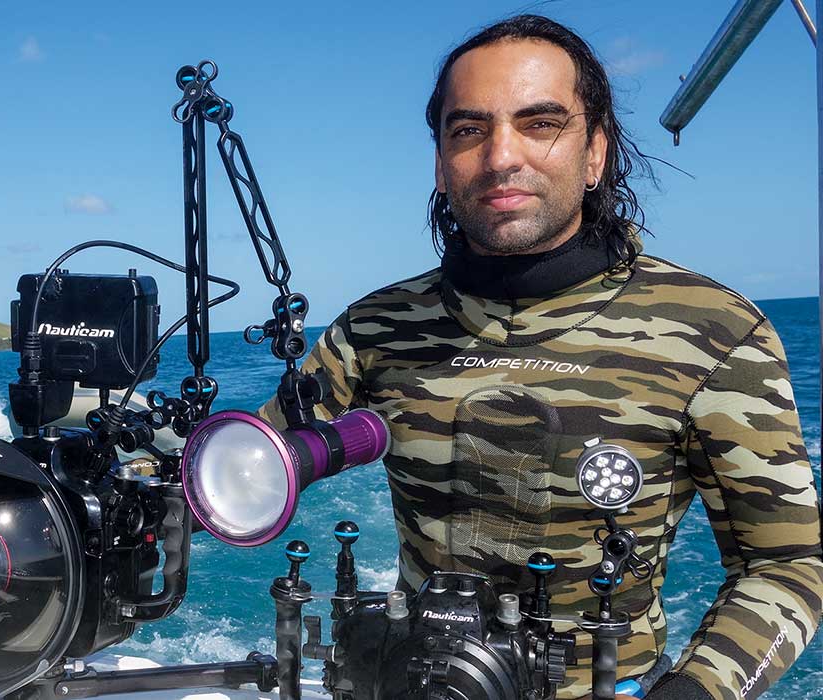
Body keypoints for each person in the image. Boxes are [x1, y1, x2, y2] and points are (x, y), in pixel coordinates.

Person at [258, 14, 823, 700]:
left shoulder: (716, 330)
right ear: (440, 164)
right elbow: (251, 464)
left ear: (595, 154)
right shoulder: (375, 327)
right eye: (469, 130)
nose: (501, 156)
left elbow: (785, 565)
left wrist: (695, 692)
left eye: (540, 123)